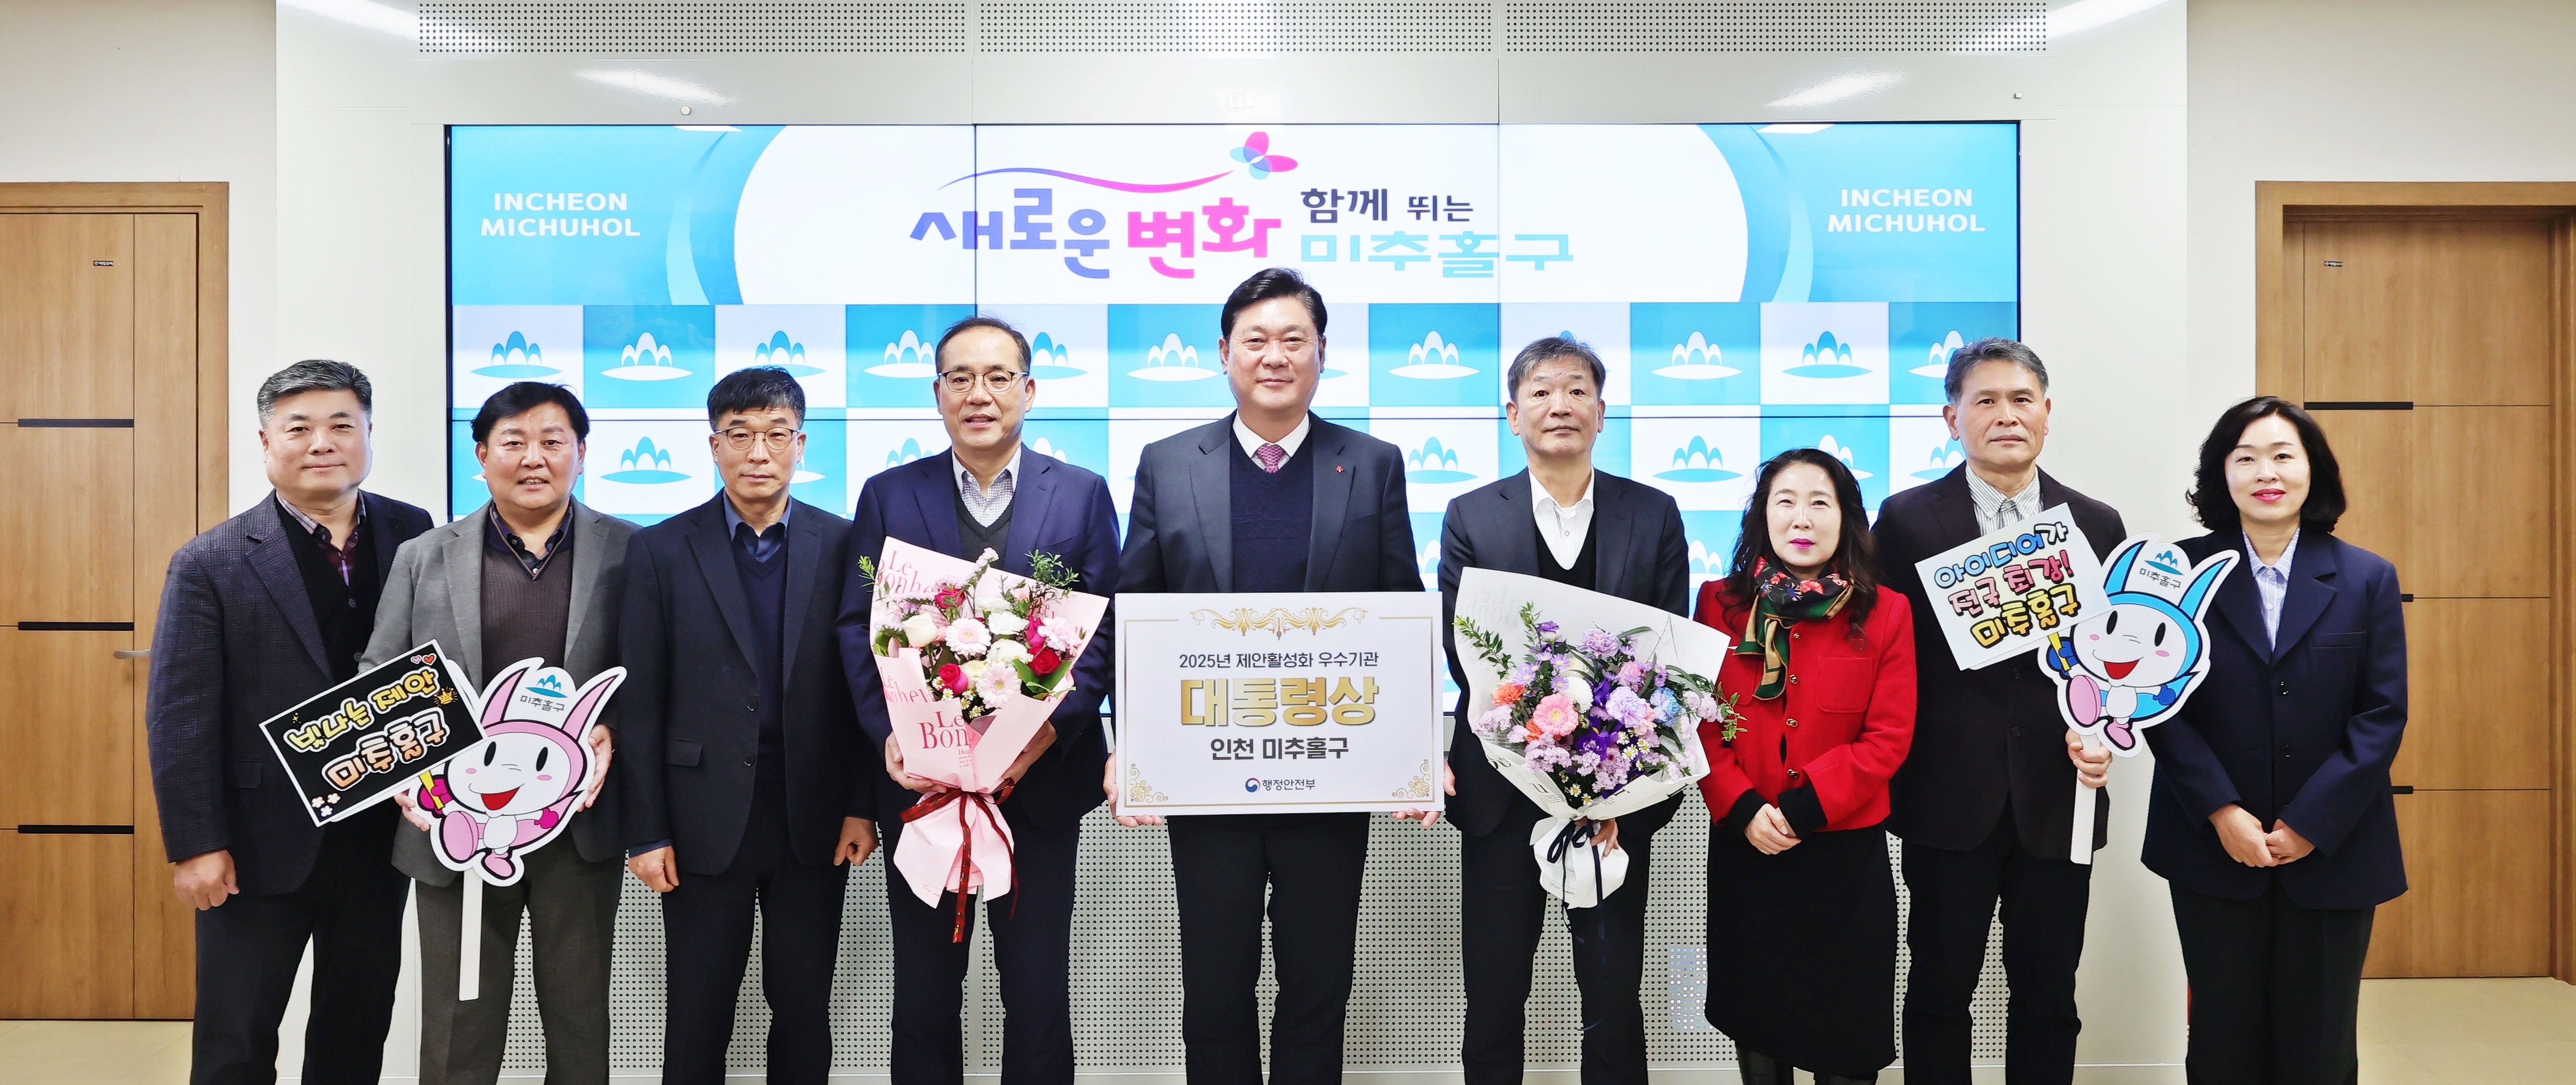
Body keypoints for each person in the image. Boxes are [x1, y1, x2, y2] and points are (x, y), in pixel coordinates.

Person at [1113, 266, 1418, 1085]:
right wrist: (1129, 746)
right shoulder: (1168, 464)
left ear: (1322, 352)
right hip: (1205, 770)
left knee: (1318, 985)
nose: (1274, 356)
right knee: (1215, 988)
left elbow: (1400, 611)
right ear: (1224, 353)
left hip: (1329, 767)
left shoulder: (1372, 463)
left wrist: (1419, 750)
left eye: (1293, 339)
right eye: (1256, 340)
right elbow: (1135, 613)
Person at [839, 315, 1121, 1085]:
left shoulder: (1081, 494)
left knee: (1037, 995)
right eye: (960, 378)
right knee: (923, 996)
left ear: (1029, 391)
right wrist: (890, 733)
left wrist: (1042, 735)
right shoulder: (889, 495)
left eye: (998, 377)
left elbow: (1102, 629)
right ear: (937, 394)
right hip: (923, 789)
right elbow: (857, 625)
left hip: (1039, 787)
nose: (979, 394)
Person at [145, 360, 434, 1085]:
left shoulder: (414, 532)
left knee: (356, 1026)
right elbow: (180, 716)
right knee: (237, 1039)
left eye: (342, 425)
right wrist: (197, 844)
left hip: (380, 832)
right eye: (299, 428)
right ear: (266, 442)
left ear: (369, 434)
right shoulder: (209, 561)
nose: (322, 443)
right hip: (256, 841)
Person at [1434, 336, 1689, 1085]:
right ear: (1513, 414)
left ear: (1601, 413)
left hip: (1618, 797)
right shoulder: (1471, 515)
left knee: (1613, 997)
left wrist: (1617, 789)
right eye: (1541, 392)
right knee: (1493, 995)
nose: (1560, 405)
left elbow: (1668, 653)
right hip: (1501, 791)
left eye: (1577, 390)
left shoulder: (1653, 513)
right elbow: (1463, 651)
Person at [362, 382, 632, 1085]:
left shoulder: (633, 550)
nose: (533, 458)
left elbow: (658, 674)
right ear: (482, 456)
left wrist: (612, 729)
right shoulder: (424, 555)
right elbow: (381, 675)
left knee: (579, 1020)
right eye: (513, 442)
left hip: (577, 825)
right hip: (454, 827)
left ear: (581, 453)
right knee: (458, 1022)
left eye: (553, 442)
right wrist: (409, 774)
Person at [1871, 338, 2123, 1085]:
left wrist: (2107, 732)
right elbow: (1885, 654)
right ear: (1952, 419)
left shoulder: (2096, 523)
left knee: (2048, 994)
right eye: (1984, 401)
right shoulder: (1904, 520)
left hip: (2060, 795)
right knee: (1938, 991)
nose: (2005, 416)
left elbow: (2115, 658)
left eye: (2020, 400)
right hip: (1945, 797)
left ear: (2046, 412)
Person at [618, 366, 876, 1085]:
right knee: (697, 1016)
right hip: (699, 816)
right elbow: (640, 705)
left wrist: (861, 805)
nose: (758, 452)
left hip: (812, 815)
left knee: (803, 1010)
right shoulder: (660, 549)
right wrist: (647, 831)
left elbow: (866, 691)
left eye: (775, 434)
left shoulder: (846, 545)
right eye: (739, 435)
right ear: (713, 445)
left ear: (801, 444)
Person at [2143, 398, 2406, 1084]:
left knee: (2319, 1040)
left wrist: (2310, 824)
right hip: (2211, 843)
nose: (2267, 473)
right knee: (2222, 1033)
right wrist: (2221, 810)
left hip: (2334, 847)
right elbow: (2157, 703)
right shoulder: (2174, 573)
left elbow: (2381, 715)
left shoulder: (2367, 577)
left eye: (2283, 456)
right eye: (2246, 458)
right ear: (2221, 474)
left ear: (2312, 471)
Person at [1691, 449, 1915, 1084]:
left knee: (1847, 1035)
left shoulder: (1887, 611)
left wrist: (1803, 809)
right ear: (1762, 515)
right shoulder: (1718, 604)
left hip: (1843, 856)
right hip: (1747, 847)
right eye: (1784, 501)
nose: (1802, 517)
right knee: (1757, 1020)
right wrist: (1741, 807)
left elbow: (1888, 736)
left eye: (1820, 502)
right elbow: (1698, 719)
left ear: (1846, 517)